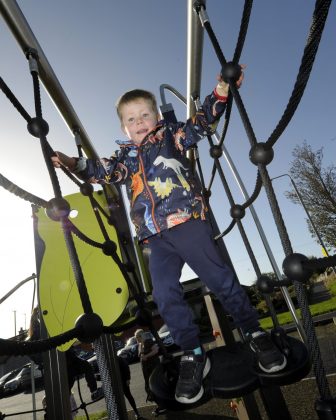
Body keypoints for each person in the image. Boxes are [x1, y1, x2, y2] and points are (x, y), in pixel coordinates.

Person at [51, 70, 287, 405]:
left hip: (187, 222)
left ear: (157, 117)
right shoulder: (125, 159)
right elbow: (102, 171)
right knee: (164, 295)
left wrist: (222, 89)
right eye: (132, 119)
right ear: (124, 129)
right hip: (154, 238)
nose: (140, 121)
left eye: (145, 114)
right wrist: (72, 162)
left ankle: (254, 331)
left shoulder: (172, 137)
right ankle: (192, 352)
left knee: (220, 279)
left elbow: (202, 123)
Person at [135, 329, 167, 417]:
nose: (136, 339)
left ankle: (162, 406)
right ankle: (161, 405)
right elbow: (141, 355)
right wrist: (141, 349)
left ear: (141, 336)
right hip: (146, 370)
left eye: (137, 337)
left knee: (154, 386)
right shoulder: (140, 344)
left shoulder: (148, 341)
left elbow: (156, 350)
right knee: (149, 388)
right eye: (136, 337)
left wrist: (146, 356)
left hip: (153, 368)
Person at [118, 355, 144, 420]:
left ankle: (137, 413)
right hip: (115, 384)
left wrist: (127, 379)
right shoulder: (107, 362)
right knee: (118, 400)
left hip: (123, 381)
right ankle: (119, 416)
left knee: (129, 396)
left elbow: (126, 367)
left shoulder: (118, 359)